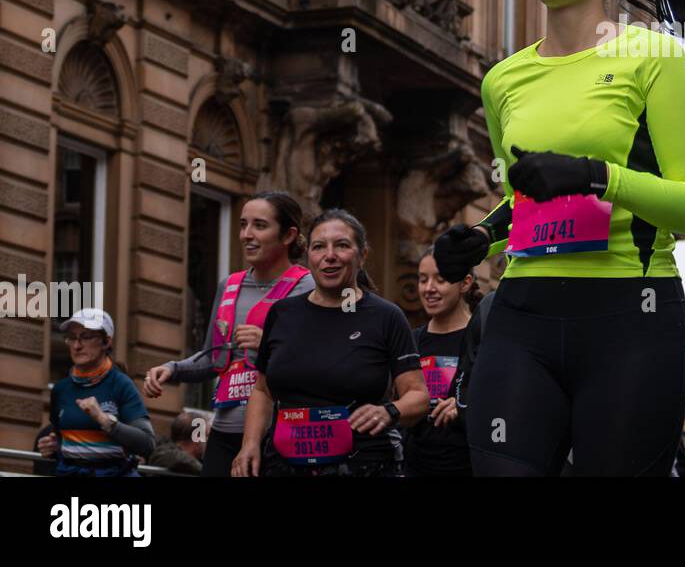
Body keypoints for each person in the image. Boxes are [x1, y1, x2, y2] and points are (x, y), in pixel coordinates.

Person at [433, 0, 685, 476]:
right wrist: (481, 237)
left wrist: (596, 176)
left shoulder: (655, 60)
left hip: (630, 316)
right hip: (523, 313)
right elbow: (523, 199)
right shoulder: (503, 79)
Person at [231, 209, 427, 477]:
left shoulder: (385, 316)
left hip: (363, 465)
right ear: (309, 256)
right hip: (284, 465)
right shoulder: (282, 313)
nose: (329, 255)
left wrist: (389, 411)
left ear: (362, 255)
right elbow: (263, 391)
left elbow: (418, 396)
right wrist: (250, 444)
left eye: (342, 245)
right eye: (319, 247)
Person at [144, 191, 314, 477]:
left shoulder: (306, 286)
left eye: (260, 226)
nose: (246, 234)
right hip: (223, 431)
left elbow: (318, 362)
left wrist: (269, 347)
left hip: (277, 432)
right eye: (243, 224)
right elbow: (213, 358)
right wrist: (172, 369)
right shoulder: (230, 286)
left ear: (288, 235)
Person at [39, 308, 155, 476]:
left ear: (106, 342)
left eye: (86, 337)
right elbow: (63, 441)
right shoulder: (61, 389)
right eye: (71, 338)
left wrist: (103, 419)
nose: (77, 345)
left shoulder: (121, 384)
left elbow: (147, 444)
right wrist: (53, 447)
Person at [405, 247, 480, 477]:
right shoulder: (412, 340)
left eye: (441, 279)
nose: (429, 289)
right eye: (423, 279)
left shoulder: (483, 337)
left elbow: (502, 399)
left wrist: (464, 406)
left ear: (465, 283)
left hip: (468, 465)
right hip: (417, 465)